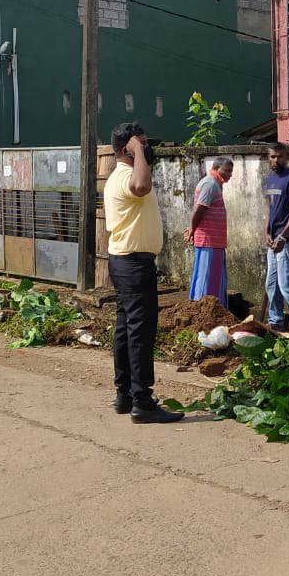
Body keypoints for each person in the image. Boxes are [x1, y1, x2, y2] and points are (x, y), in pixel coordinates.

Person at [105, 121, 183, 424]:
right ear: (128, 147)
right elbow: (142, 186)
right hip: (133, 264)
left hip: (126, 261)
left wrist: (136, 148)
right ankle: (142, 401)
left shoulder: (119, 175)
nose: (148, 148)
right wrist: (136, 150)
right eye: (143, 143)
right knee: (140, 331)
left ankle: (124, 395)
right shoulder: (127, 175)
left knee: (126, 329)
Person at [262, 141, 289, 333]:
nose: (276, 159)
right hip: (273, 240)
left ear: (286, 157)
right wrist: (267, 232)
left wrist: (283, 236)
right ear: (268, 157)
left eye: (280, 156)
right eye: (272, 156)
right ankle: (276, 320)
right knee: (271, 283)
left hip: (286, 240)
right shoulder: (268, 179)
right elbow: (269, 208)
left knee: (286, 283)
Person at [184, 156, 233, 302]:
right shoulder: (210, 184)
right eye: (227, 170)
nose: (230, 174)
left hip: (214, 241)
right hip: (208, 241)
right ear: (217, 168)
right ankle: (203, 311)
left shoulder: (214, 184)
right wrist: (192, 230)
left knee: (213, 278)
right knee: (207, 278)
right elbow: (199, 209)